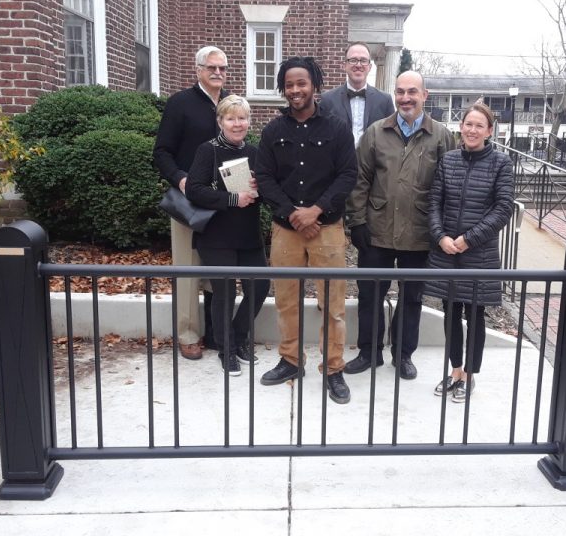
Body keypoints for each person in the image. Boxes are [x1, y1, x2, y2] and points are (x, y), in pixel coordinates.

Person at [255, 56, 358, 405]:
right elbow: (265, 178)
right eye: (289, 84)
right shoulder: (272, 132)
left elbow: (348, 174)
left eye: (302, 83)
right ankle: (290, 360)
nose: (296, 90)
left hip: (327, 229)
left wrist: (316, 210)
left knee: (332, 304)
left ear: (315, 85)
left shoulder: (337, 128)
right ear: (283, 89)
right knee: (286, 301)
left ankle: (333, 368)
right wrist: (293, 214)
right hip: (286, 230)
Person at [345, 71, 455, 380]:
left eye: (412, 92)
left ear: (424, 95)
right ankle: (369, 352)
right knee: (369, 295)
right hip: (376, 230)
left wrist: (440, 230)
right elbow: (360, 179)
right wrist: (357, 222)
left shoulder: (442, 136)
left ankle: (403, 355)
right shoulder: (376, 132)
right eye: (399, 92)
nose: (405, 98)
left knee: (412, 298)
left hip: (420, 233)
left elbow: (447, 186)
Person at [425, 102, 514, 402]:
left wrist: (468, 239)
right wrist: (440, 236)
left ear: (489, 131)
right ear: (460, 127)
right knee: (451, 314)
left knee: (475, 316)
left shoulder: (501, 163)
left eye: (479, 125)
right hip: (447, 252)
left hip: (479, 255)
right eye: (468, 124)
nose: (472, 130)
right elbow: (434, 201)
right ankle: (455, 370)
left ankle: (471, 375)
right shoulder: (448, 161)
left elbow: (503, 209)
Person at [184, 95, 270, 375]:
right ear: (220, 121)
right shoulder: (207, 151)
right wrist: (232, 199)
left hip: (248, 233)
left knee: (259, 288)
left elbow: (268, 191)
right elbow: (194, 189)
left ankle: (238, 336)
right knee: (224, 294)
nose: (238, 123)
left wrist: (261, 187)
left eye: (242, 118)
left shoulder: (255, 152)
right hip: (217, 235)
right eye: (231, 118)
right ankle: (226, 349)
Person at [153, 46, 229, 360]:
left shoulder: (229, 104)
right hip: (188, 202)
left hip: (223, 201)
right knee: (188, 268)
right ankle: (187, 334)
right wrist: (182, 180)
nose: (217, 73)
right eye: (211, 67)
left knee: (218, 267)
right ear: (197, 69)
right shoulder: (180, 104)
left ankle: (215, 333)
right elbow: (161, 153)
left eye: (223, 68)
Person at [319, 42, 394, 146]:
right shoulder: (327, 100)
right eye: (353, 60)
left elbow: (391, 139)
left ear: (370, 67)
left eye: (363, 60)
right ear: (344, 65)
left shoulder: (385, 100)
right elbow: (321, 135)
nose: (358, 65)